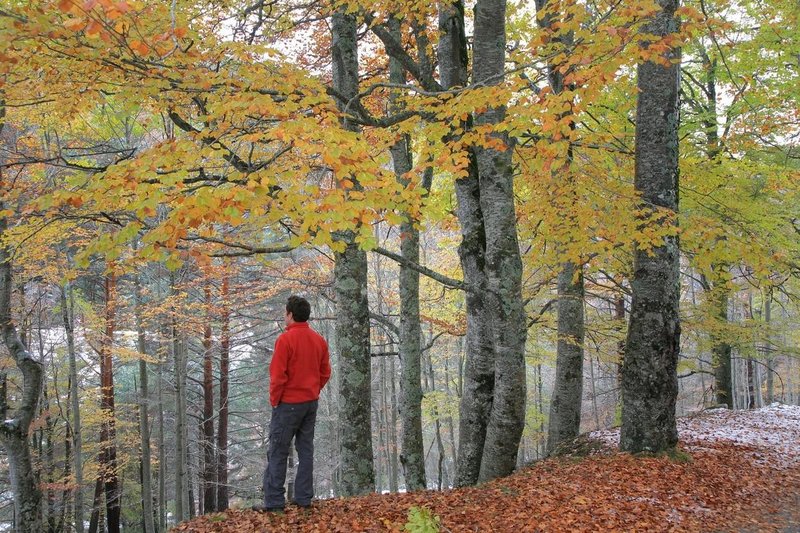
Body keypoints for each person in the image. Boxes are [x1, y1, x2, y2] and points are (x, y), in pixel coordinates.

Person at [257, 295, 331, 512]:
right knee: (305, 450)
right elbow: (325, 372)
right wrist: (314, 389)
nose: (284, 316)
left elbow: (277, 376)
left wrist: (275, 400)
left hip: (288, 404)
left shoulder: (285, 340)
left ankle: (274, 503)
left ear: (290, 314)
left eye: (285, 313)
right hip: (310, 404)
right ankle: (304, 499)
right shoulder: (319, 340)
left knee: (278, 451)